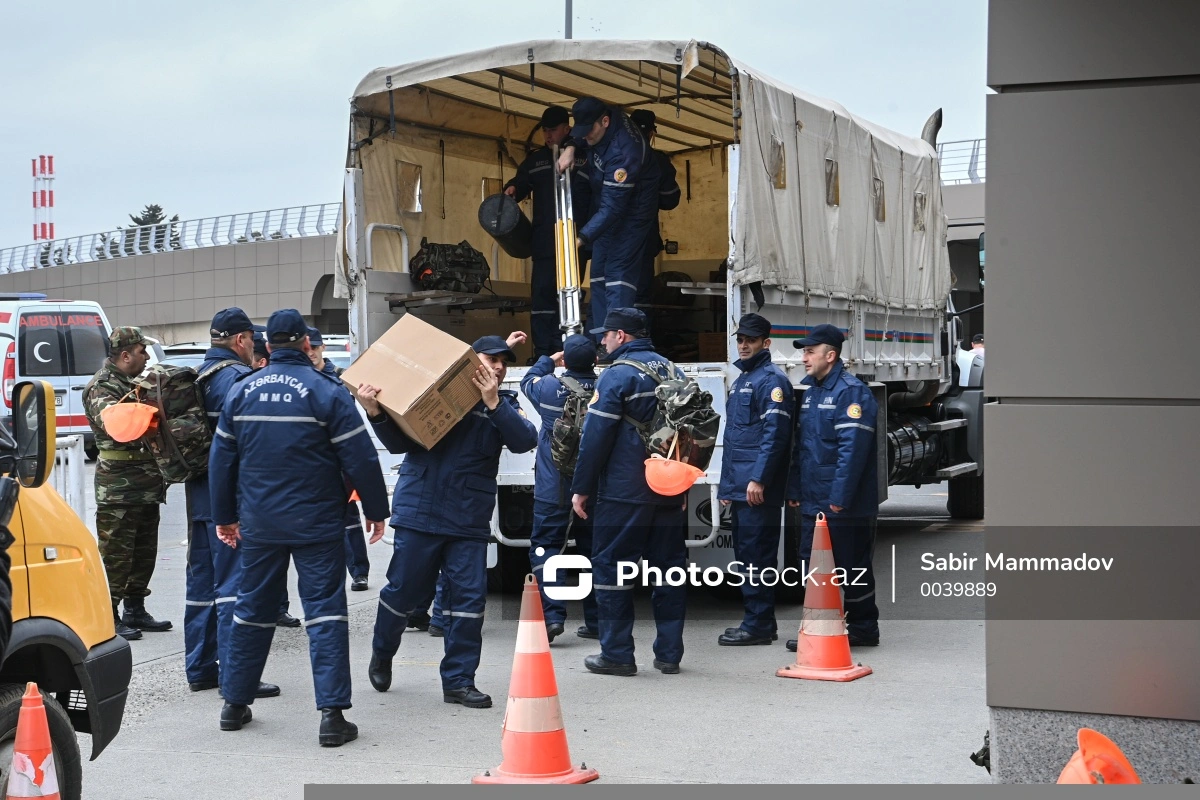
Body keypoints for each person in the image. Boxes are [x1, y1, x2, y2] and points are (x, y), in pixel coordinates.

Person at [209, 309, 389, 746]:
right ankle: (331, 717)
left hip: (261, 526)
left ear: (268, 344)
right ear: (306, 346)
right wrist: (376, 509)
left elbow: (221, 460)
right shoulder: (326, 392)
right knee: (325, 615)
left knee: (250, 610)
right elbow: (360, 457)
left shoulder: (242, 391)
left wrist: (224, 517)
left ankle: (234, 704)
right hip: (318, 525)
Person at [359, 332, 537, 709]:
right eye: (492, 361)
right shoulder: (433, 393)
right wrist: (375, 413)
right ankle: (383, 652)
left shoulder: (504, 404)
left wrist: (493, 405)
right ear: (471, 364)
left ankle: (458, 681)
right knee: (402, 593)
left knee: (468, 602)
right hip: (420, 511)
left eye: (505, 362)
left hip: (468, 520)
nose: (500, 368)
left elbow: (525, 440)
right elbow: (400, 444)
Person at [570, 308, 688, 676]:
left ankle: (618, 654)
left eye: (605, 335)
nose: (601, 341)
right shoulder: (674, 370)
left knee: (613, 571)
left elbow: (595, 438)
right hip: (668, 486)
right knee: (670, 572)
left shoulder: (618, 376)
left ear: (621, 336)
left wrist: (582, 488)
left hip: (625, 491)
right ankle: (669, 654)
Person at [183, 309, 283, 698]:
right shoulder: (238, 381)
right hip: (231, 501)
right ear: (241, 340)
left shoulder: (199, 376)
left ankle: (201, 668)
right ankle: (237, 674)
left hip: (199, 497)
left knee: (201, 586)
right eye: (250, 340)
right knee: (233, 589)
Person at [785, 323, 881, 651]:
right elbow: (803, 447)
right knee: (815, 568)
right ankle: (822, 629)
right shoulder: (812, 390)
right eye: (803, 352)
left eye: (810, 351)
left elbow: (852, 453)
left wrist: (839, 498)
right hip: (814, 499)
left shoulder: (850, 393)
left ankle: (864, 628)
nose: (804, 357)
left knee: (851, 566)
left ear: (831, 355)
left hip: (841, 503)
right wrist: (796, 489)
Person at [83, 326, 172, 641]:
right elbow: (120, 424)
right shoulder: (101, 387)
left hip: (146, 482)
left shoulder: (133, 383)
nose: (147, 357)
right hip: (118, 485)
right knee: (116, 553)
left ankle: (136, 608)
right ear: (124, 355)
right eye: (142, 351)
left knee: (144, 550)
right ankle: (109, 614)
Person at [715, 314, 794, 646]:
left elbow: (775, 437)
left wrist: (759, 479)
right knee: (746, 555)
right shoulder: (744, 380)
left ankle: (758, 624)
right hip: (741, 486)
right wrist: (725, 486)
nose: (743, 345)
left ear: (766, 343)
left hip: (756, 489)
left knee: (756, 555)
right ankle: (760, 621)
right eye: (740, 339)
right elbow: (735, 441)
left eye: (750, 340)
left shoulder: (772, 382)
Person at [557, 98, 661, 344]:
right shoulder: (601, 120)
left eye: (589, 132)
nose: (586, 137)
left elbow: (614, 207)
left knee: (617, 274)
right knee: (599, 272)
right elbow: (584, 135)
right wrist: (571, 146)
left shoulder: (625, 151)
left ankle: (618, 342)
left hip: (633, 212)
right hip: (606, 207)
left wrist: (580, 239)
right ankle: (600, 341)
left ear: (605, 122)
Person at [519, 333, 599, 641]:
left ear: (565, 360)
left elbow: (529, 379)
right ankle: (596, 622)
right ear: (595, 360)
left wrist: (547, 361)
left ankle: (552, 616)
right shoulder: (605, 389)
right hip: (593, 487)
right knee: (594, 551)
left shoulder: (550, 388)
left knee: (546, 548)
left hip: (553, 488)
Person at [505, 106, 592, 357]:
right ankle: (543, 352)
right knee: (542, 298)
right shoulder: (536, 161)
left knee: (569, 294)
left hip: (575, 242)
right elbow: (520, 182)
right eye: (544, 130)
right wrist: (512, 189)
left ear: (567, 128)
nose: (547, 135)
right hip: (544, 243)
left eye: (552, 130)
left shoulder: (584, 157)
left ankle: (566, 350)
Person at [308, 327, 369, 591]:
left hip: (338, 459)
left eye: (315, 347)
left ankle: (359, 572)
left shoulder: (339, 379)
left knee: (349, 519)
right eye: (306, 348)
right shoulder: (302, 378)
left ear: (323, 348)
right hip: (311, 461)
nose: (310, 352)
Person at [628, 110, 681, 313]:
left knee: (613, 293)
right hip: (644, 238)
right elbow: (670, 199)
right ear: (652, 134)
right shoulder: (657, 160)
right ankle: (639, 342)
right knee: (641, 297)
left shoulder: (612, 156)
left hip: (613, 238)